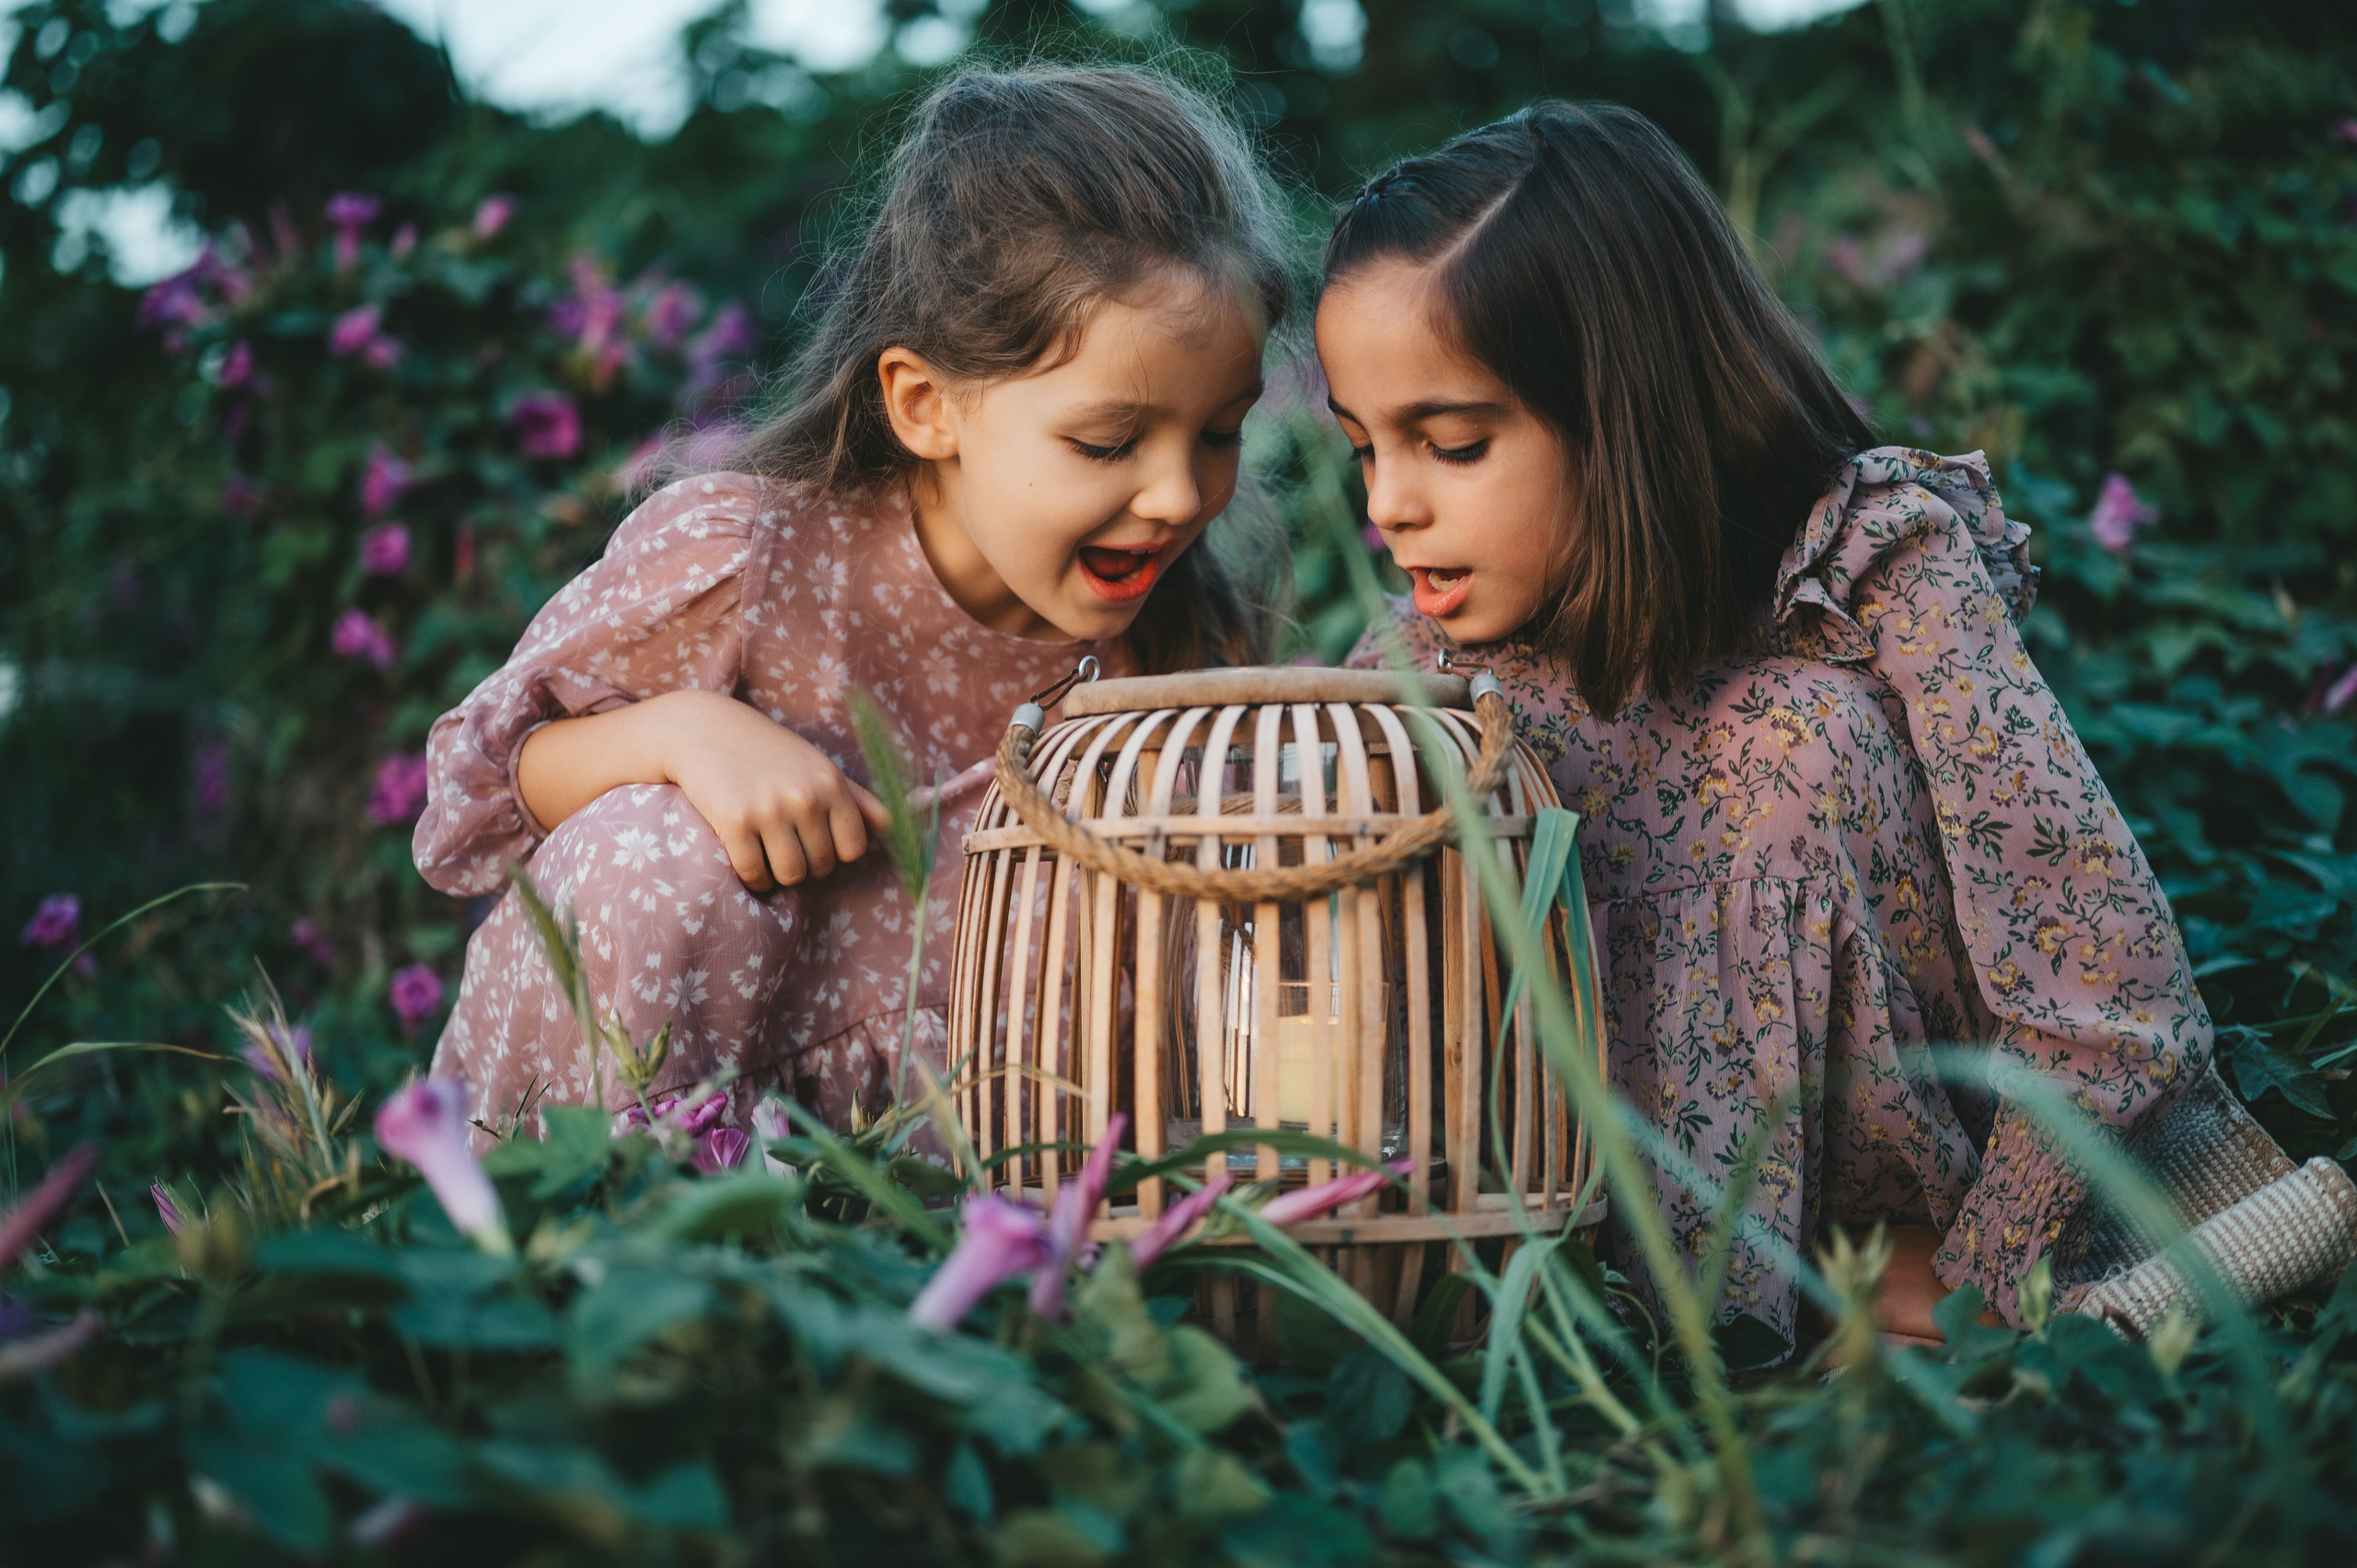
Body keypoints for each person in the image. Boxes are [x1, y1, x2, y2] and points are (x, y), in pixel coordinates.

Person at [1318, 101, 2212, 1340]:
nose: (1389, 504)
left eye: (1452, 442)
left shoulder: (1870, 569)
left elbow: (2110, 990)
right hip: (1571, 1257)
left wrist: (1986, 1264)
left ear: (1626, 400)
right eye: (1363, 447)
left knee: (1791, 732)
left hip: (1904, 1242)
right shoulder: (1431, 658)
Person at [413, 64, 1288, 1143]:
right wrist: (676, 731)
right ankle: (575, 1244)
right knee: (648, 851)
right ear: (926, 406)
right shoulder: (750, 559)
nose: (1177, 496)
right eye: (1107, 442)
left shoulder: (1171, 655)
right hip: (678, 1141)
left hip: (962, 1193)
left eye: (1219, 433)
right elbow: (475, 798)